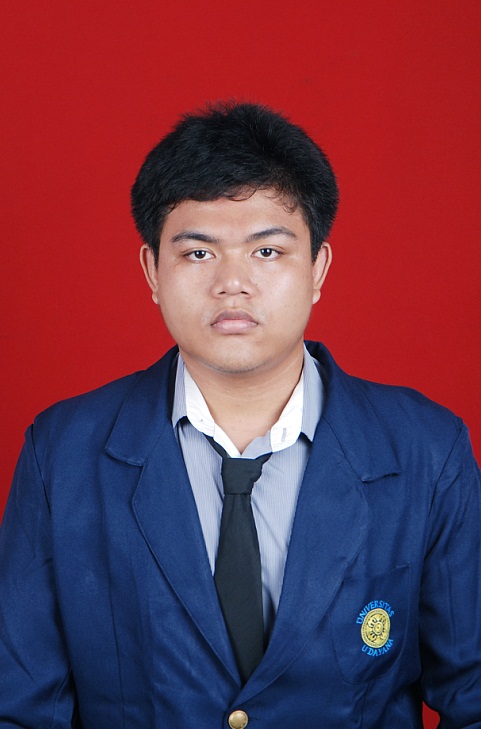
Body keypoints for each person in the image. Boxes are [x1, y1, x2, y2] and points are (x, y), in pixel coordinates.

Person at [0, 102, 480, 728]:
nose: (233, 283)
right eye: (199, 254)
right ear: (152, 270)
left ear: (318, 269)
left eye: (267, 251)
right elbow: (18, 708)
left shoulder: (427, 451)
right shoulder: (62, 454)